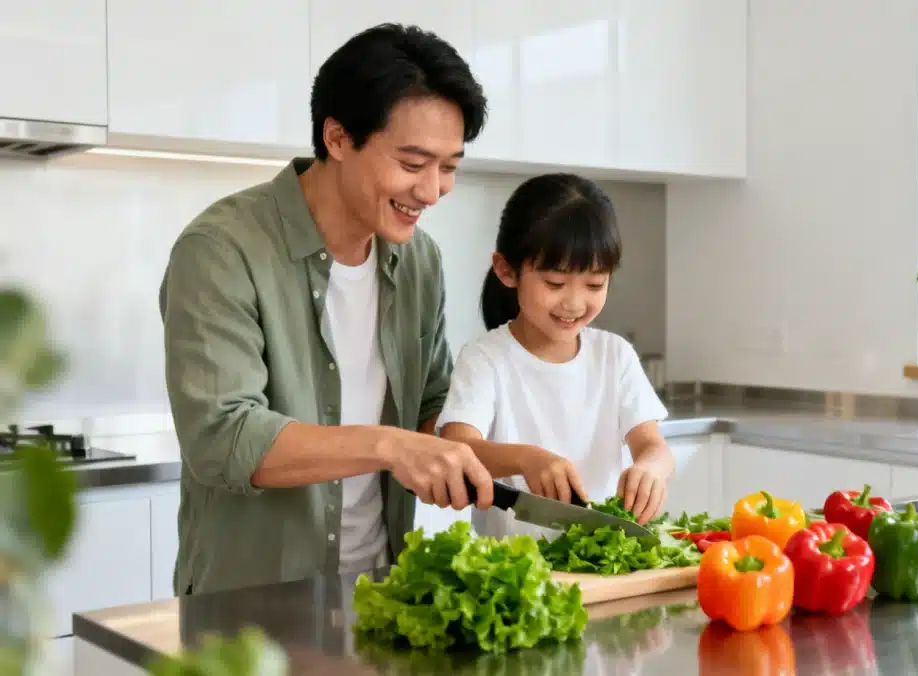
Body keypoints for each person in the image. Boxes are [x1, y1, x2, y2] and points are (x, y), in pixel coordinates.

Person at [158, 23, 495, 596]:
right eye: (414, 164)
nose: (434, 190)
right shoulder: (222, 249)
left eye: (450, 167)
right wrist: (390, 446)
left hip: (382, 592)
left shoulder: (419, 261)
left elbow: (429, 405)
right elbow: (223, 437)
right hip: (250, 609)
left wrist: (517, 456)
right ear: (337, 138)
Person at [437, 173, 675, 540]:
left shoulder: (615, 356)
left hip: (598, 565)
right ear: (506, 270)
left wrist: (652, 469)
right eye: (555, 284)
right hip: (513, 570)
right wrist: (525, 458)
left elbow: (652, 446)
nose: (574, 303)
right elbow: (459, 448)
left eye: (595, 285)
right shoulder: (486, 358)